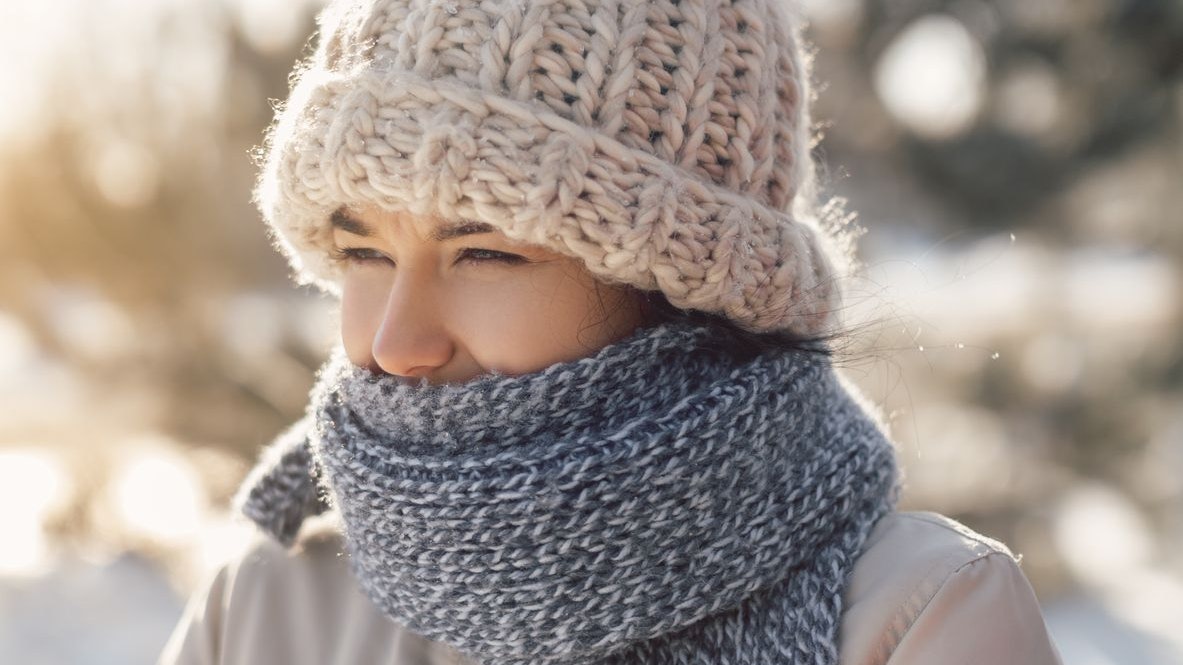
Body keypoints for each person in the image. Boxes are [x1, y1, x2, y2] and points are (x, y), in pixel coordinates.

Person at [159, 0, 1064, 663]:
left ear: (679, 286)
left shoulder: (919, 620)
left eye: (484, 253)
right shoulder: (266, 609)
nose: (395, 343)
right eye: (364, 253)